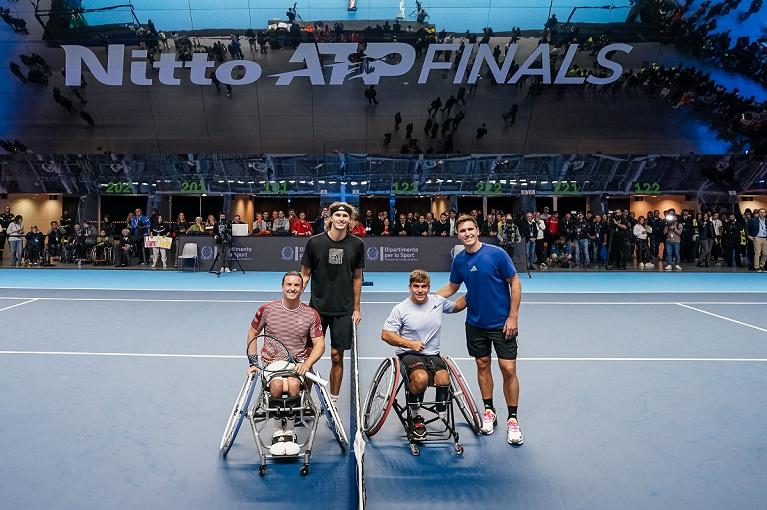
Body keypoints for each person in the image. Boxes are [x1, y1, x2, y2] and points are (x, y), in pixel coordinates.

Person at [436, 214, 524, 445]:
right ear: (458, 235)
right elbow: (453, 286)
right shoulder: (460, 260)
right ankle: (489, 411)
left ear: (477, 230)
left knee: (508, 369)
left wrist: (513, 316)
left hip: (502, 323)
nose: (467, 233)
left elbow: (514, 281)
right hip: (475, 324)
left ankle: (512, 420)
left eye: (470, 229)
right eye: (462, 231)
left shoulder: (496, 254)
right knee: (482, 365)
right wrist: (428, 297)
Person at [246, 271, 325, 456]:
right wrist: (254, 362)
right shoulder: (266, 309)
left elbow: (320, 344)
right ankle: (277, 432)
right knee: (277, 384)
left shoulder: (311, 314)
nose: (292, 288)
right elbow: (252, 334)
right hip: (270, 363)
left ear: (302, 288)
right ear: (282, 287)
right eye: (289, 284)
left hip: (295, 364)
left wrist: (307, 364)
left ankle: (289, 431)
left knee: (294, 384)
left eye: (296, 285)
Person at [382, 270, 466, 439]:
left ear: (429, 288)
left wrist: (476, 290)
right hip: (409, 354)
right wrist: (409, 343)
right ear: (410, 287)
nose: (420, 290)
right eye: (416, 286)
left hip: (433, 355)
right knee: (420, 379)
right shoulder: (401, 309)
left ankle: (440, 409)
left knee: (443, 379)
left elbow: (456, 306)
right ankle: (416, 415)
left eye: (423, 286)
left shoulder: (438, 302)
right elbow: (386, 334)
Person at [300, 202, 364, 402]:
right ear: (331, 218)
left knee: (337, 355)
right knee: (309, 355)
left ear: (350, 220)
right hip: (316, 310)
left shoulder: (357, 245)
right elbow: (305, 275)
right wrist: (293, 299)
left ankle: (333, 403)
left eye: (346, 216)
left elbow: (357, 278)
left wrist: (356, 308)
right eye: (338, 216)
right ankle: (305, 399)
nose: (341, 219)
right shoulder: (314, 242)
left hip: (343, 311)